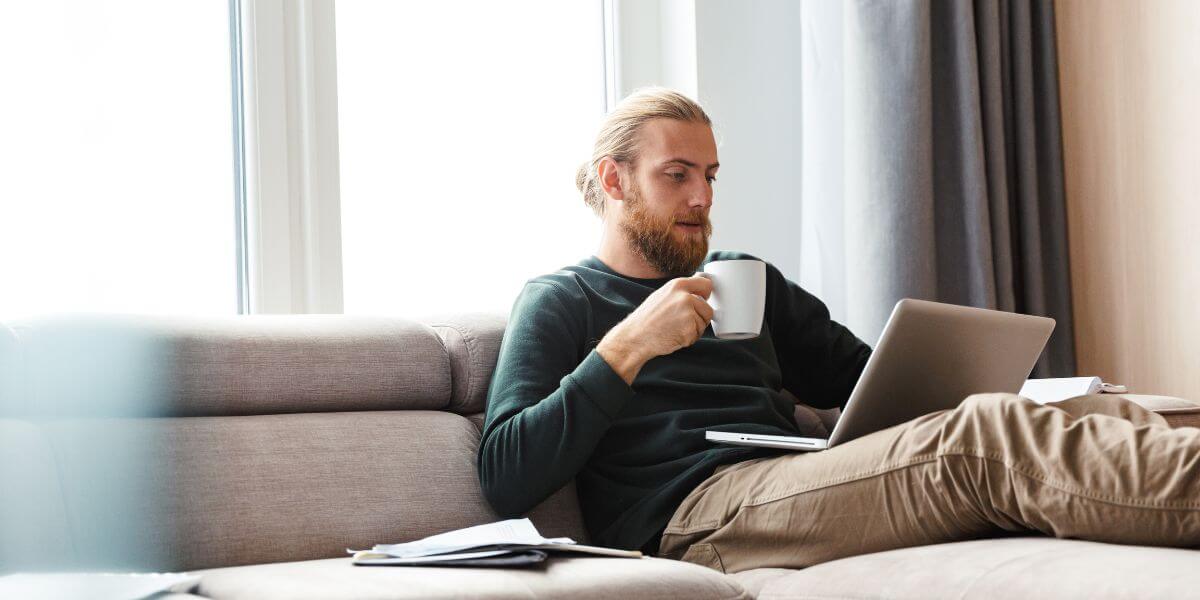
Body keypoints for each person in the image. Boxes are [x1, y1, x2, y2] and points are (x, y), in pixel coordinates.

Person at [476, 88, 1200, 573]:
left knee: (1092, 410)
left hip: (792, 479)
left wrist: (958, 377)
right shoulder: (563, 299)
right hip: (695, 517)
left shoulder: (741, 275)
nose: (702, 197)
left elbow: (866, 379)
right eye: (677, 175)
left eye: (711, 175)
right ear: (615, 181)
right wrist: (629, 345)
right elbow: (508, 474)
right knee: (982, 437)